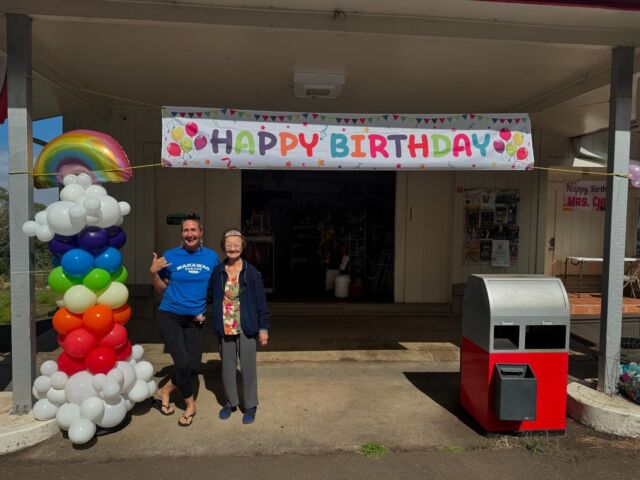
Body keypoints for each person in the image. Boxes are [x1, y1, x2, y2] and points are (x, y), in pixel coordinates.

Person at [149, 216, 218, 427]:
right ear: (182, 233)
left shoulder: (211, 257)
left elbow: (215, 286)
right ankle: (190, 405)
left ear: (201, 232)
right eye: (186, 230)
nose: (190, 234)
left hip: (195, 318)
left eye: (193, 230)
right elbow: (162, 288)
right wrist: (153, 273)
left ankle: (165, 390)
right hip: (170, 315)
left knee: (193, 366)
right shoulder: (170, 256)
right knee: (182, 363)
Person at [209, 228, 270, 424]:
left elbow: (261, 302)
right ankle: (230, 402)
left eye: (236, 245)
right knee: (227, 367)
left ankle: (250, 405)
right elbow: (210, 296)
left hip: (247, 326)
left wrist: (263, 328)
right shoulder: (218, 271)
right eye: (229, 245)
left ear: (242, 247)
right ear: (223, 248)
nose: (233, 248)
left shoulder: (251, 272)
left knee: (248, 367)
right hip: (226, 326)